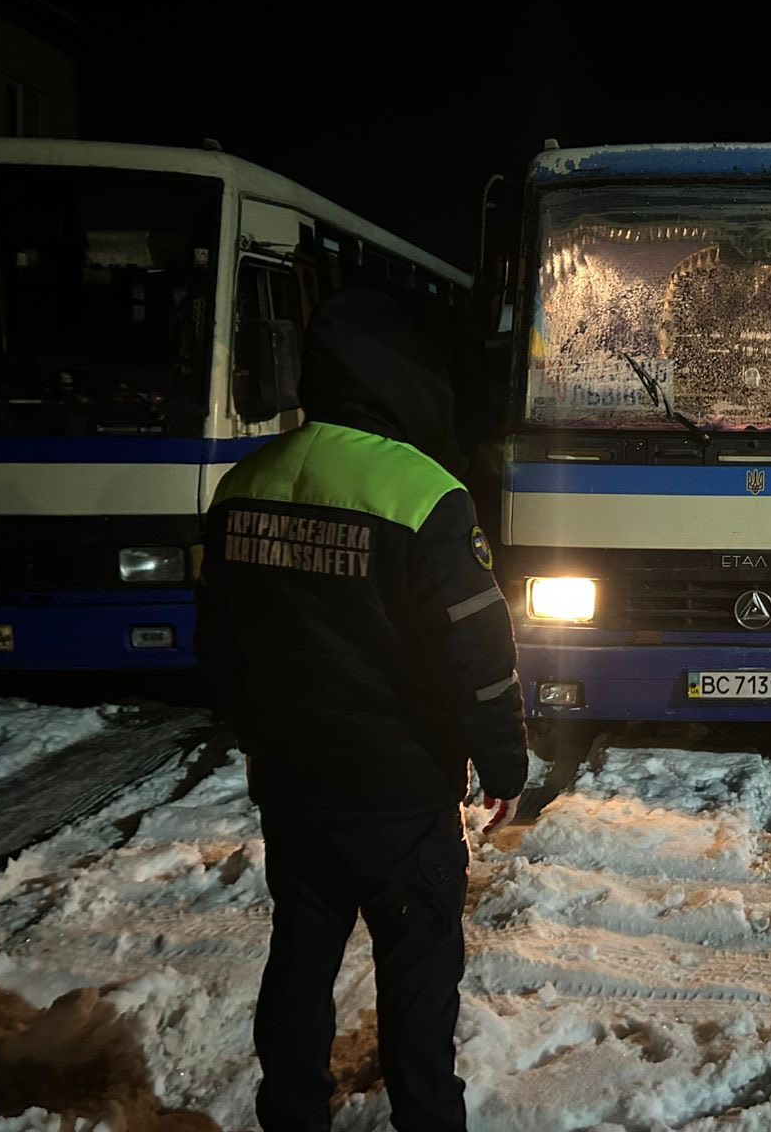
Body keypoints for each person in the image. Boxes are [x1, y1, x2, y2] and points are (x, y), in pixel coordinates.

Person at [195, 286, 527, 1132]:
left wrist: (258, 732)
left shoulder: (245, 485)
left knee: (300, 961)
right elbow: (478, 658)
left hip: (294, 786)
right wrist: (504, 765)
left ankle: (293, 1114)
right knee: (417, 974)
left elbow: (219, 646)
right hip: (399, 793)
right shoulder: (424, 494)